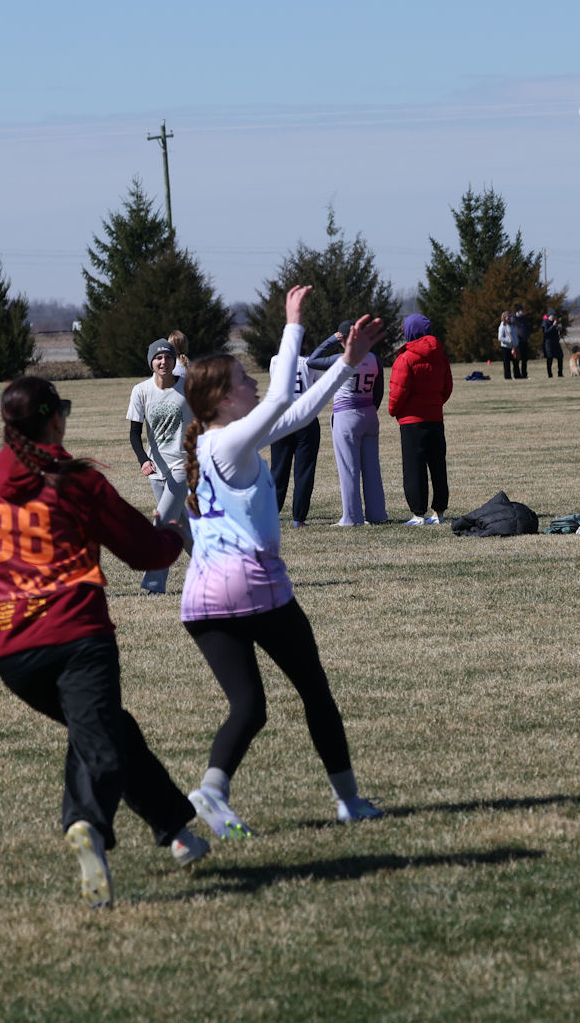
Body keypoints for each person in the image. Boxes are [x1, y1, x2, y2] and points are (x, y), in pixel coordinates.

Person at [0, 375, 214, 907]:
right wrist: (172, 537)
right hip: (78, 639)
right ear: (55, 421)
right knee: (100, 744)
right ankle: (87, 824)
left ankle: (176, 829)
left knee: (109, 728)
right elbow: (143, 552)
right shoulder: (76, 482)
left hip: (13, 656)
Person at [176, 288, 386, 838]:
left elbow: (298, 411)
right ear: (223, 400)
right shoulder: (228, 444)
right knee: (315, 691)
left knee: (249, 707)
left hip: (200, 598)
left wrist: (346, 363)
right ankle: (349, 801)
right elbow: (280, 401)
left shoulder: (216, 444)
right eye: (243, 379)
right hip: (251, 585)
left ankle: (212, 792)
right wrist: (293, 325)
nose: (253, 383)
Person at [126, 339, 192, 592]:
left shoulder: (189, 387)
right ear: (151, 362)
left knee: (162, 523)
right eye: (158, 357)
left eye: (168, 357)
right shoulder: (141, 390)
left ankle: (153, 584)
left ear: (175, 360)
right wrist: (144, 460)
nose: (163, 362)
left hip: (183, 465)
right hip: (157, 469)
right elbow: (134, 433)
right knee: (180, 527)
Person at [308, 327, 385, 525]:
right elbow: (379, 390)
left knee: (349, 469)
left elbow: (312, 360)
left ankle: (351, 517)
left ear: (342, 338)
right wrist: (371, 410)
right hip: (369, 414)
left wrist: (331, 340)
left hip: (346, 415)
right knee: (372, 469)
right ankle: (377, 514)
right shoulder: (374, 359)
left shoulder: (340, 359)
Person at [388, 314, 453, 525]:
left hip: (411, 422)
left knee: (414, 468)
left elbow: (398, 391)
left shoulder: (405, 358)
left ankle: (418, 514)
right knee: (438, 466)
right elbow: (447, 387)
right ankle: (439, 512)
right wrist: (435, 404)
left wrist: (393, 410)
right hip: (435, 418)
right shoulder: (440, 355)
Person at [266, 334, 320, 528]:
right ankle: (299, 517)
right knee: (304, 471)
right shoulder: (311, 362)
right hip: (305, 418)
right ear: (304, 342)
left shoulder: (275, 361)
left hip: (281, 419)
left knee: (278, 469)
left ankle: (271, 514)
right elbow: (316, 387)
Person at [541, 309, 566, 378]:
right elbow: (546, 332)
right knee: (550, 358)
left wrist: (560, 330)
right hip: (548, 343)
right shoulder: (545, 322)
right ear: (550, 316)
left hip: (556, 342)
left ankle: (560, 373)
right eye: (553, 315)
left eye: (555, 316)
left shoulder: (555, 322)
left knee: (560, 356)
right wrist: (553, 326)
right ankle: (550, 374)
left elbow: (558, 332)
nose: (555, 317)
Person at [510, 305, 532, 379]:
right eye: (521, 311)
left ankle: (524, 374)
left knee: (524, 359)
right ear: (517, 311)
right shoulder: (513, 319)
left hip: (524, 341)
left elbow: (528, 328)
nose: (522, 312)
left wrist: (527, 335)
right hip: (517, 342)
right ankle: (517, 374)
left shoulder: (524, 319)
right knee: (516, 359)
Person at [496, 312, 517, 381]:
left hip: (512, 347)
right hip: (505, 347)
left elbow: (514, 335)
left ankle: (517, 375)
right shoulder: (502, 326)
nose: (509, 318)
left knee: (515, 362)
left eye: (509, 316)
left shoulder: (511, 325)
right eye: (507, 317)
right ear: (504, 317)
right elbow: (500, 338)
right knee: (506, 363)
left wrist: (516, 342)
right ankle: (507, 376)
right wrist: (508, 340)